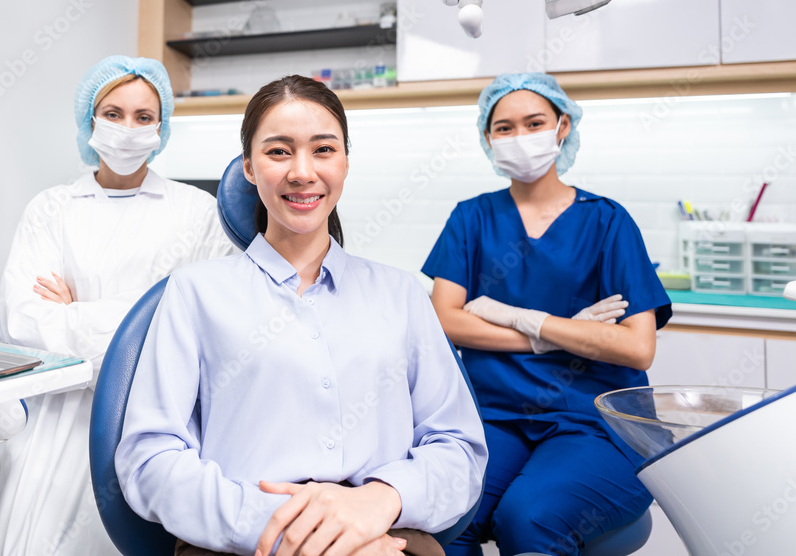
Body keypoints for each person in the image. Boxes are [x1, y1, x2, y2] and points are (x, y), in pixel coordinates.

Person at [116, 75, 488, 556]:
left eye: (324, 149)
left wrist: (379, 502)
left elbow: (460, 450)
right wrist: (294, 529)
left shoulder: (402, 295)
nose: (302, 171)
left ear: (346, 163)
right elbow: (150, 460)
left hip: (385, 536)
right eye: (278, 152)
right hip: (244, 541)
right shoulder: (195, 293)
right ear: (249, 167)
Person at [0, 56, 237, 556]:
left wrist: (75, 311)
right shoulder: (52, 208)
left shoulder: (199, 212)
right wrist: (143, 317)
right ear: (89, 118)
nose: (127, 129)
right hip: (53, 418)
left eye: (143, 116)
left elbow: (202, 324)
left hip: (151, 416)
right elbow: (20, 319)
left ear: (162, 126)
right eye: (112, 113)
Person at [422, 73, 672, 556]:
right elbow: (445, 320)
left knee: (531, 517)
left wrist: (518, 317)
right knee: (442, 516)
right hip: (494, 417)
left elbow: (637, 345)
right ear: (488, 138)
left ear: (562, 126)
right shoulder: (470, 218)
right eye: (504, 128)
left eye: (534, 123)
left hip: (597, 422)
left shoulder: (607, 221)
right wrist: (566, 333)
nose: (520, 137)